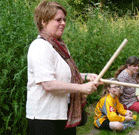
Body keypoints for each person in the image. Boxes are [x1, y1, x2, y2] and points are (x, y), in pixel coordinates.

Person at [26, 1, 100, 134]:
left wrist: (87, 76)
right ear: (44, 21)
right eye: (58, 20)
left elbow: (65, 75)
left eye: (64, 20)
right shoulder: (40, 47)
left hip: (63, 114)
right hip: (45, 119)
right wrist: (81, 88)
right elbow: (48, 84)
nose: (63, 23)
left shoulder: (59, 47)